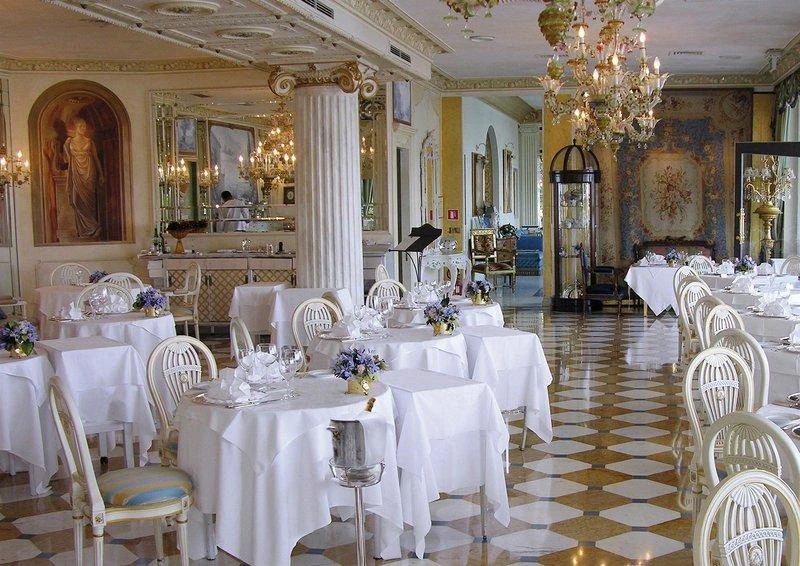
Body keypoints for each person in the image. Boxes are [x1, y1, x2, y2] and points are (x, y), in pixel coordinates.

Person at [64, 118, 103, 238]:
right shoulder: (69, 142)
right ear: (76, 127)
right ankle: (89, 228)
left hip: (89, 172)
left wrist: (101, 174)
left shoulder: (89, 141)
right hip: (75, 171)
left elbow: (96, 158)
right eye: (81, 126)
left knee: (89, 202)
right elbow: (66, 159)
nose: (83, 129)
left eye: (85, 126)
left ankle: (93, 228)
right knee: (76, 200)